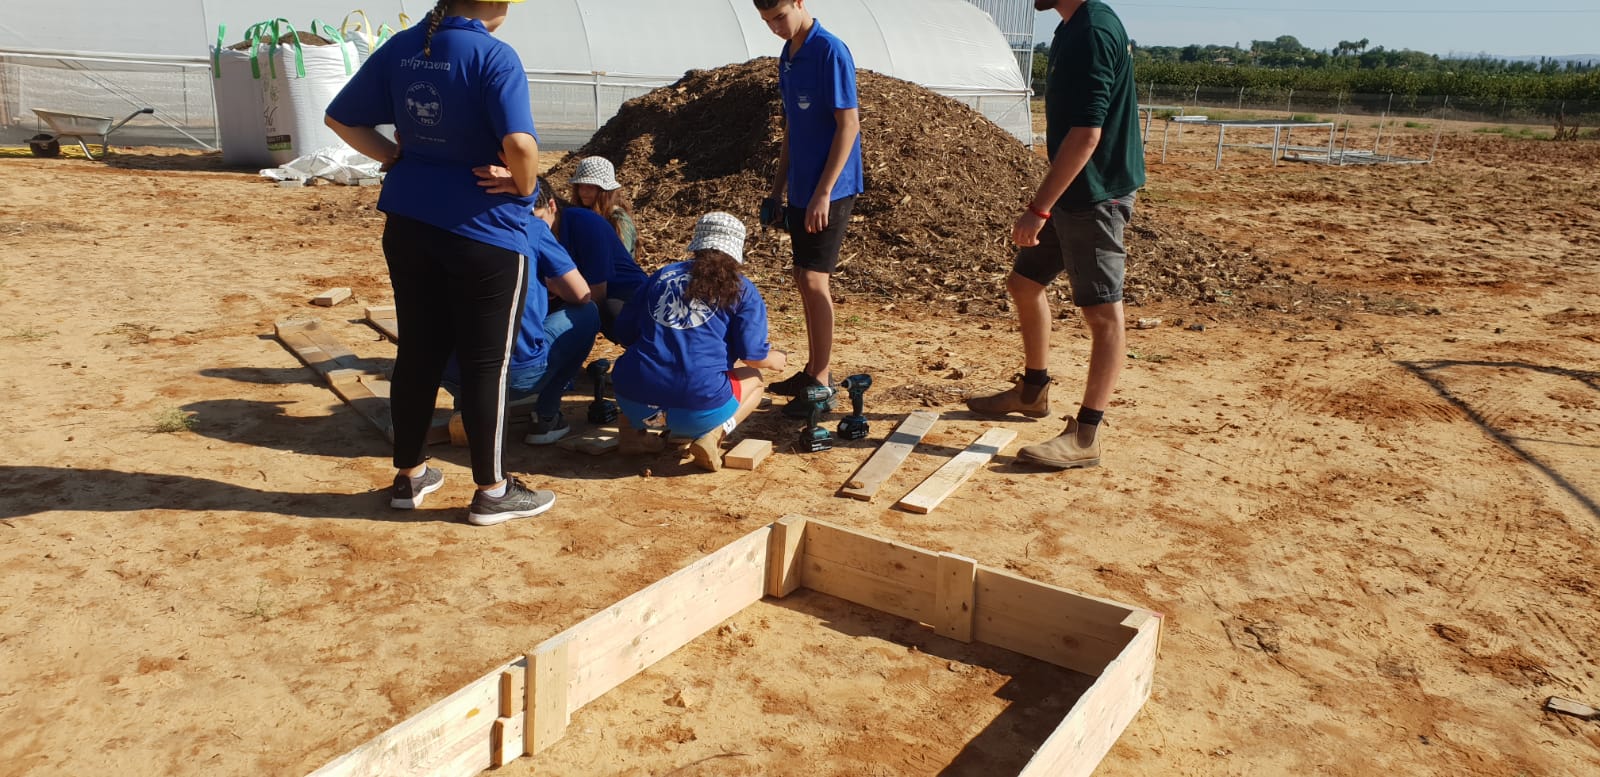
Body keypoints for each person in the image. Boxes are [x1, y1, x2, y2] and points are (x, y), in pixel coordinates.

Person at [324, 0, 558, 526]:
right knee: (485, 364)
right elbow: (520, 143)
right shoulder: (493, 56)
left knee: (418, 352)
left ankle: (409, 475)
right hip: (484, 229)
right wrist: (526, 186)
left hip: (409, 221)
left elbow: (339, 117)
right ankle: (493, 491)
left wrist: (395, 157)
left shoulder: (405, 46)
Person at [964, 0, 1146, 470]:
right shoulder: (1073, 25)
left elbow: (1087, 134)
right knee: (1024, 284)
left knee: (1103, 316)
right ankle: (1032, 392)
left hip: (1096, 196)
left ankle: (1086, 436)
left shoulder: (1092, 32)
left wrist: (1038, 209)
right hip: (1075, 189)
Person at [609, 213, 789, 472]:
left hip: (636, 405)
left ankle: (631, 433)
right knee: (756, 380)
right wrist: (775, 359)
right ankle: (714, 435)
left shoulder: (661, 276)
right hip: (698, 413)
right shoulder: (742, 289)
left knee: (636, 369)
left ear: (697, 243)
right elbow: (752, 356)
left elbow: (625, 333)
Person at [752, 0, 863, 418]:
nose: (775, 28)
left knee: (815, 279)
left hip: (831, 189)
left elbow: (849, 125)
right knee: (802, 276)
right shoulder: (788, 55)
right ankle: (816, 370)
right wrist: (777, 191)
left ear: (799, 2)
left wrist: (823, 193)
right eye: (767, 22)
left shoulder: (830, 50)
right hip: (801, 188)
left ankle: (822, 382)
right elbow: (791, 131)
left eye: (780, 17)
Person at [442, 184, 598, 447]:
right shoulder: (531, 226)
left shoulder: (449, 224)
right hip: (515, 377)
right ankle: (546, 417)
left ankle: (467, 411)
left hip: (452, 374)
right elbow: (582, 294)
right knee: (587, 313)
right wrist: (550, 284)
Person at [569, 156, 639, 258]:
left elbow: (619, 257)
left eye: (590, 187)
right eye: (580, 186)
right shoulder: (579, 214)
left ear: (604, 191)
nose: (583, 192)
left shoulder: (618, 219)